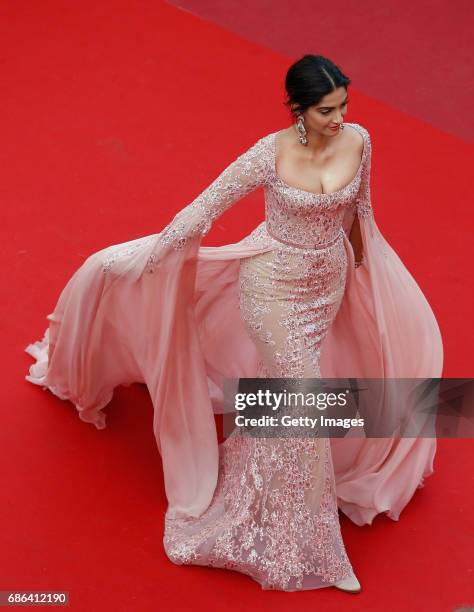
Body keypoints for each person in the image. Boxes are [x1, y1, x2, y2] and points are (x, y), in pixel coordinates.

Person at [24, 54, 443, 593]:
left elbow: (360, 211)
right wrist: (146, 258)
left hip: (327, 285)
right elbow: (202, 210)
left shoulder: (360, 140)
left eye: (343, 105)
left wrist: (363, 275)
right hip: (272, 290)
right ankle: (320, 553)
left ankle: (267, 471)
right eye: (325, 110)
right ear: (297, 108)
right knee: (307, 402)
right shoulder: (268, 155)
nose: (338, 118)